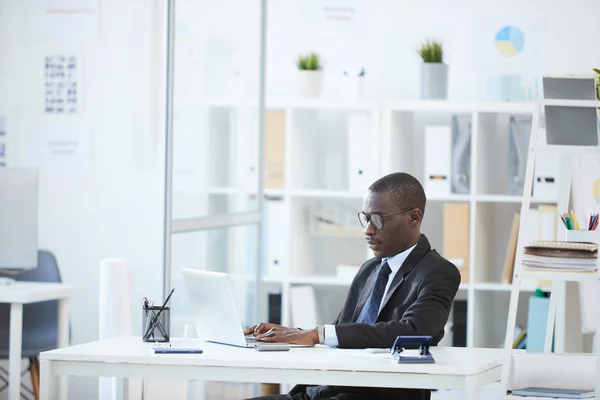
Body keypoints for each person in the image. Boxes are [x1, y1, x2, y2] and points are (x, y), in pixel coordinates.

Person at [245, 172, 461, 400]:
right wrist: (292, 335)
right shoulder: (369, 270)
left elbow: (414, 331)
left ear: (413, 218)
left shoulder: (437, 272)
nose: (368, 229)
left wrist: (316, 334)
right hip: (320, 391)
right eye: (365, 218)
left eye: (378, 219)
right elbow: (339, 334)